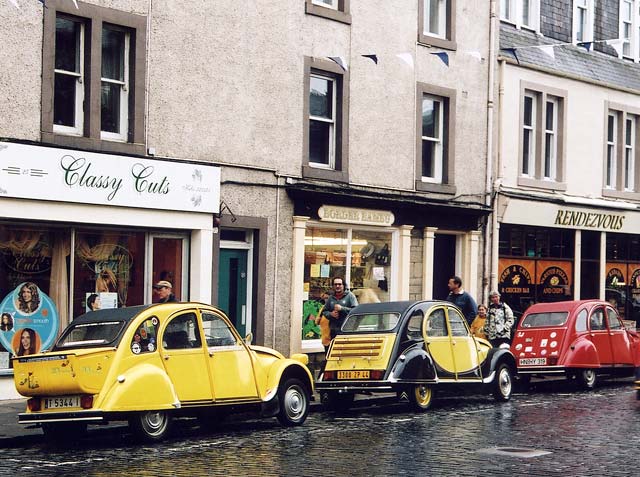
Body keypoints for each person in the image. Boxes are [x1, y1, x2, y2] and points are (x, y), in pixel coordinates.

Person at [322, 276, 358, 341]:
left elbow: (356, 311)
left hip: (347, 330)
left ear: (344, 285)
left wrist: (342, 308)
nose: (337, 286)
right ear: (333, 286)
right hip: (334, 330)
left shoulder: (350, 296)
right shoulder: (331, 298)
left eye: (339, 284)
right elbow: (325, 311)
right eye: (335, 284)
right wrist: (330, 314)